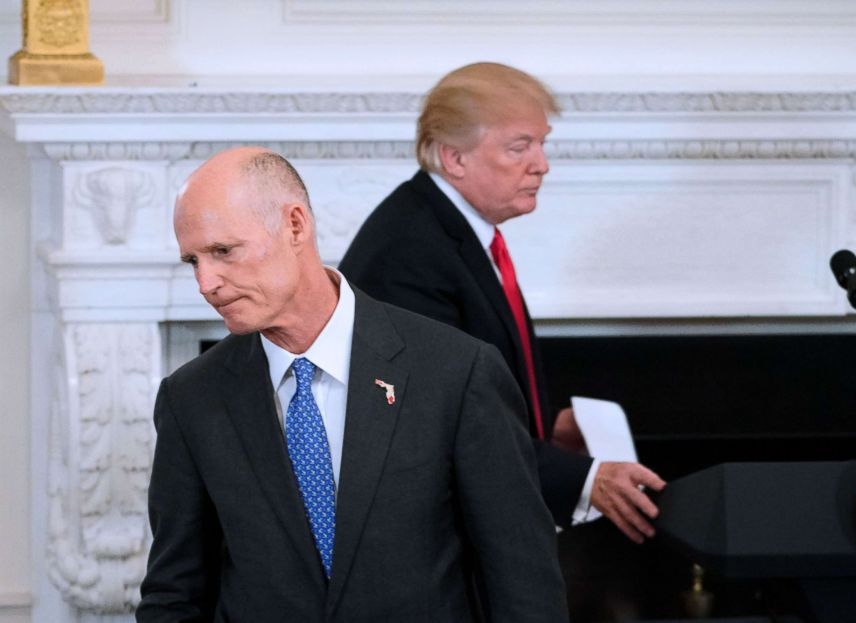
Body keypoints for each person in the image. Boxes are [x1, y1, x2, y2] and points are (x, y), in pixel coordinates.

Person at [136, 146, 569, 623]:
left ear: (295, 225)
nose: (206, 282)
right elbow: (174, 596)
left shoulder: (456, 373)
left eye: (222, 251)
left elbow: (523, 584)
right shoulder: (191, 399)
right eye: (192, 261)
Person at [339, 62, 666, 544]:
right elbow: (439, 423)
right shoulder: (408, 254)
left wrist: (542, 423)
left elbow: (466, 380)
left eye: (541, 142)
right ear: (454, 158)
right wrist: (579, 480)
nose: (542, 163)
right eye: (520, 147)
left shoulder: (449, 229)